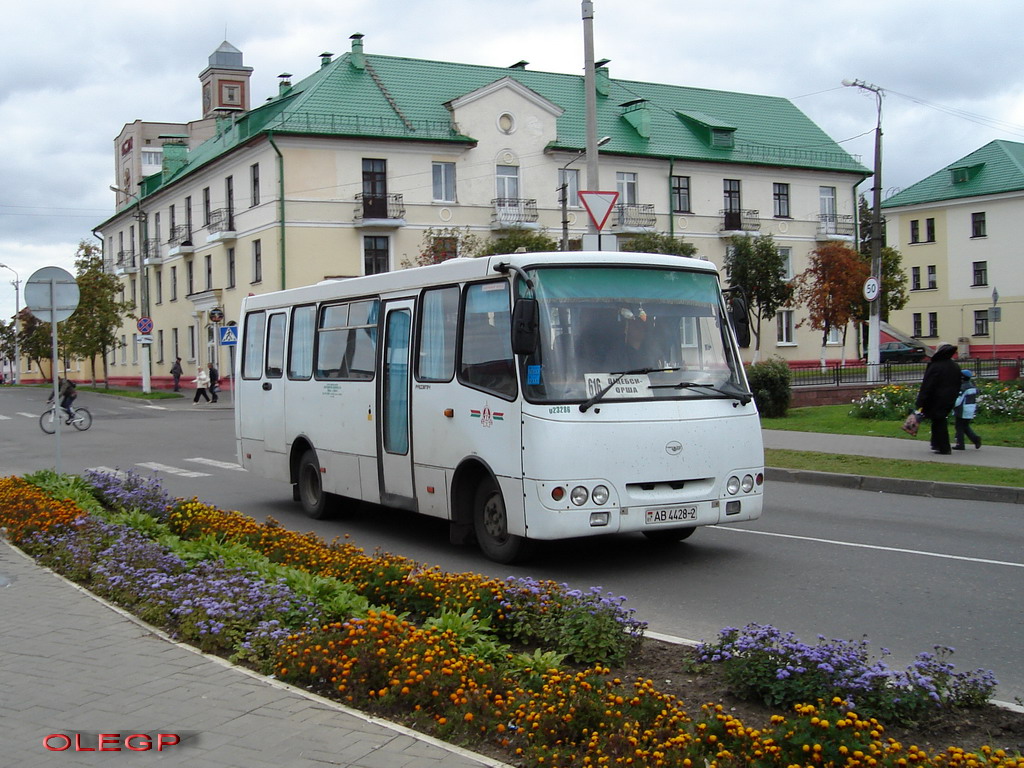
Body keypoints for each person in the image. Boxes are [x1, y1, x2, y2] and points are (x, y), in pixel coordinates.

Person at [914, 342, 962, 455]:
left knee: (939, 422)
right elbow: (958, 384)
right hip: (949, 399)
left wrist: (920, 401)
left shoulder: (935, 366)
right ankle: (936, 444)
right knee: (939, 420)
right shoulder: (954, 366)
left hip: (935, 399)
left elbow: (927, 385)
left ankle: (943, 447)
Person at [953, 369, 982, 451]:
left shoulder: (962, 387)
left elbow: (958, 401)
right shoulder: (972, 386)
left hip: (962, 409)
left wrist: (951, 405)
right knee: (965, 426)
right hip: (971, 408)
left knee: (959, 426)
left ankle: (960, 444)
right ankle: (976, 439)